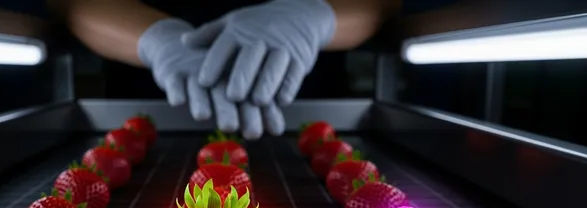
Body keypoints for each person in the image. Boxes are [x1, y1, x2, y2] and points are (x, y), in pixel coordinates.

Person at [60, 0, 402, 139]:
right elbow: (66, 2)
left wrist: (318, 18)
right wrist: (156, 39)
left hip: (309, 106)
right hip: (149, 100)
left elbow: (386, 3)